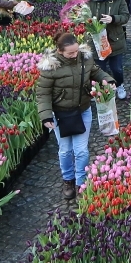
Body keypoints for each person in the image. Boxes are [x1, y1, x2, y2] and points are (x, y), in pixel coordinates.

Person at [35, 32, 99, 201]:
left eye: (76, 51)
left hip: (82, 110)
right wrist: (46, 116)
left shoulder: (85, 58)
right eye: (70, 53)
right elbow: (43, 94)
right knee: (65, 151)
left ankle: (80, 181)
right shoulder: (51, 67)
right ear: (60, 51)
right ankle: (68, 180)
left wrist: (109, 80)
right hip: (60, 114)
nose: (74, 55)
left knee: (81, 151)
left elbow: (95, 72)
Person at [84, 0, 130, 96]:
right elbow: (82, 16)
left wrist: (113, 19)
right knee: (99, 69)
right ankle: (101, 90)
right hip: (96, 40)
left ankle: (119, 85)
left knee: (117, 69)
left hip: (114, 39)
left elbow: (125, 16)